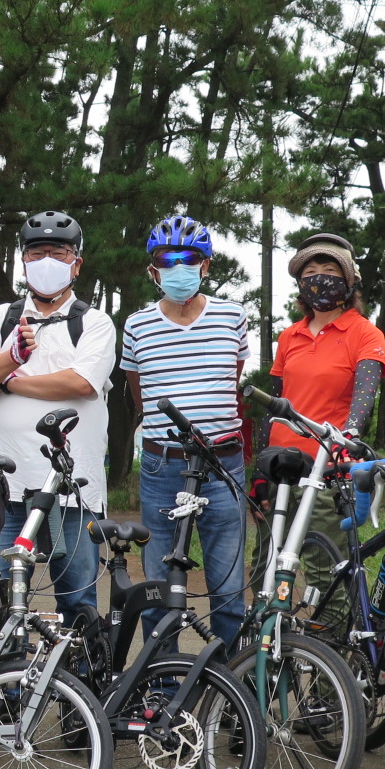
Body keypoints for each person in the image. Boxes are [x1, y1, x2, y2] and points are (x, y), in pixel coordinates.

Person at [0, 210, 116, 624]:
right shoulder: (0, 318)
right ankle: (2, 688)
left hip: (72, 489)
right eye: (36, 252)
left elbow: (81, 382)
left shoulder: (94, 323)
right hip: (7, 489)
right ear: (23, 262)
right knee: (3, 601)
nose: (47, 260)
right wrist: (11, 357)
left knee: (77, 602)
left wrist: (8, 380)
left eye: (58, 252)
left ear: (76, 263)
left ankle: (81, 684)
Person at [121, 214, 247, 650]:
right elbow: (141, 396)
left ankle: (233, 694)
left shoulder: (233, 317)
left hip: (224, 462)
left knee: (229, 587)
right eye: (167, 259)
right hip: (163, 465)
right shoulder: (136, 326)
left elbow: (230, 383)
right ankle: (161, 688)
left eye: (188, 258)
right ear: (153, 269)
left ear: (206, 265)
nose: (179, 267)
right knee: (158, 589)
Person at [260, 232, 385, 629]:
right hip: (281, 471)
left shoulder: (365, 333)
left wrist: (346, 444)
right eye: (310, 272)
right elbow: (278, 405)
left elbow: (363, 400)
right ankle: (260, 668)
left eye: (329, 270)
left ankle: (332, 678)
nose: (319, 278)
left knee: (326, 575)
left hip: (326, 471)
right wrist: (259, 470)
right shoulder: (289, 336)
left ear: (349, 280)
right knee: (263, 572)